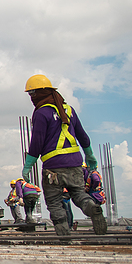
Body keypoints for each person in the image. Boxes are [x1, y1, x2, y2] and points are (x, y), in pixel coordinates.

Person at [23, 74, 107, 235]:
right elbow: (82, 135)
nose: (31, 97)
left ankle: (63, 232)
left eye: (32, 94)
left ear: (39, 94)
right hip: (75, 163)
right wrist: (89, 155)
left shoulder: (41, 113)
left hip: (53, 168)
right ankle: (91, 207)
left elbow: (37, 142)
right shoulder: (69, 110)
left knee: (54, 201)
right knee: (79, 194)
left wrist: (28, 165)